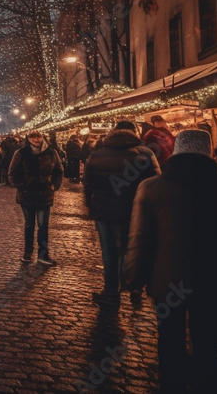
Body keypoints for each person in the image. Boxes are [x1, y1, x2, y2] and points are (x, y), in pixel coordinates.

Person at [124, 129, 217, 393]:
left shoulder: (152, 187)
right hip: (212, 279)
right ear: (208, 151)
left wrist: (133, 278)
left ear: (176, 150)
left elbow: (139, 238)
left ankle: (173, 384)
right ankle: (206, 382)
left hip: (168, 279)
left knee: (170, 340)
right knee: (208, 341)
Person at [82, 121, 160, 306]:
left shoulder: (97, 154)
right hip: (134, 211)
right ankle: (135, 288)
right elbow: (155, 183)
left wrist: (91, 205)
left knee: (109, 253)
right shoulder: (145, 153)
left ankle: (111, 292)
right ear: (134, 132)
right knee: (132, 250)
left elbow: (88, 184)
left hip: (104, 211)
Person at [8, 129, 64, 265]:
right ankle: (27, 253)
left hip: (44, 194)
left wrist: (54, 186)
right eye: (33, 137)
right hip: (27, 194)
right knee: (29, 225)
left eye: (38, 136)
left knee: (43, 225)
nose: (36, 140)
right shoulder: (21, 153)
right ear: (28, 138)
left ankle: (43, 255)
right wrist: (21, 185)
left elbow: (59, 170)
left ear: (42, 137)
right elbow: (13, 172)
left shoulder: (51, 152)